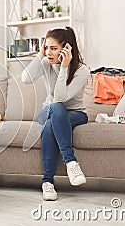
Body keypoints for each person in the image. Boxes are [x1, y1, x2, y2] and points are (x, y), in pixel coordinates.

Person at [21, 27, 90, 201]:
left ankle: (47, 182)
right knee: (55, 109)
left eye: (53, 48)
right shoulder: (46, 62)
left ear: (66, 49)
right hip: (49, 111)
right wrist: (39, 54)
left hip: (76, 114)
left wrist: (64, 67)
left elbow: (61, 97)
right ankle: (71, 163)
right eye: (47, 47)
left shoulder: (82, 70)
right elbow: (26, 78)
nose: (48, 52)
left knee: (52, 123)